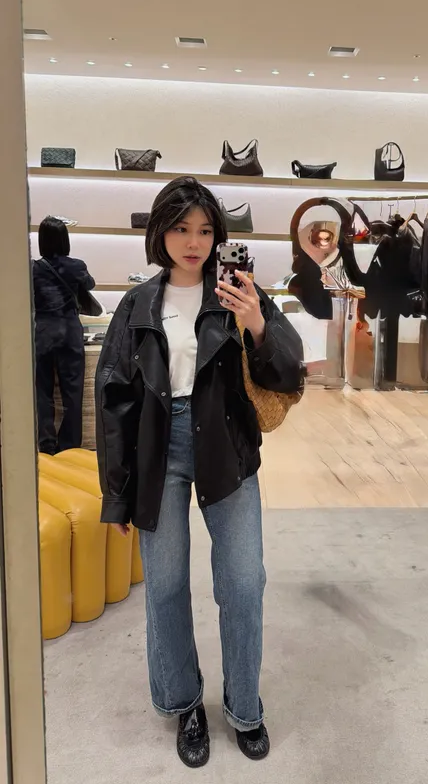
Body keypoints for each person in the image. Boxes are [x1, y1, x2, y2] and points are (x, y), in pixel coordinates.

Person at [95, 176, 304, 768]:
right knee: (164, 587)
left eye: (206, 230)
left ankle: (245, 706)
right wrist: (117, 495)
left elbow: (289, 372)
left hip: (226, 446)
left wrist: (257, 322)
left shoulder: (237, 293)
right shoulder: (137, 305)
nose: (194, 242)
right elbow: (114, 401)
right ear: (160, 233)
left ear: (219, 236)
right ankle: (185, 703)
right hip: (156, 448)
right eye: (181, 229)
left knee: (243, 582)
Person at [32, 216, 96, 454]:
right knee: (72, 393)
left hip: (42, 333)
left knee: (42, 392)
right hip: (69, 333)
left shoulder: (33, 268)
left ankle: (46, 444)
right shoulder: (77, 266)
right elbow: (90, 285)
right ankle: (69, 445)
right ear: (64, 240)